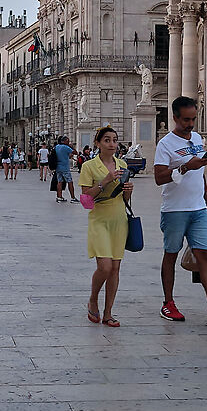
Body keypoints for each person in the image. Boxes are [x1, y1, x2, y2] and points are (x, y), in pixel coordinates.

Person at [153, 95, 207, 325]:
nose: (190, 124)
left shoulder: (198, 138)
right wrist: (184, 167)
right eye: (186, 120)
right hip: (174, 210)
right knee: (171, 253)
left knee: (205, 255)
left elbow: (201, 173)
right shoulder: (165, 144)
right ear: (175, 118)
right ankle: (168, 303)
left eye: (193, 119)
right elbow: (159, 178)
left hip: (198, 208)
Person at [79, 125, 134, 326]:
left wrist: (128, 189)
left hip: (119, 219)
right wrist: (104, 181)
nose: (112, 144)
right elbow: (85, 199)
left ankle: (108, 312)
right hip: (99, 219)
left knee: (115, 268)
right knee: (105, 266)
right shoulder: (89, 166)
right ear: (98, 143)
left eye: (114, 140)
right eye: (107, 140)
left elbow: (125, 198)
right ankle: (93, 299)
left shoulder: (122, 165)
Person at [51, 136, 75, 203]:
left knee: (59, 182)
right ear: (65, 141)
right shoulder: (65, 147)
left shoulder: (57, 147)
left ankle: (59, 197)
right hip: (65, 168)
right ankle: (73, 197)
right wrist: (71, 146)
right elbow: (75, 152)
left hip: (58, 167)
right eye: (68, 141)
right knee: (70, 181)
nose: (68, 142)